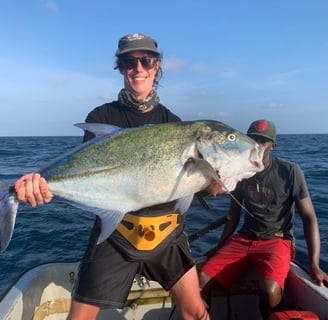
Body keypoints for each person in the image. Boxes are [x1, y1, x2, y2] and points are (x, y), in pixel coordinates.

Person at [15, 33, 223, 320]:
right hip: (117, 233)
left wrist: (213, 185)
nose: (138, 68)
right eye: (129, 61)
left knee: (198, 313)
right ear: (121, 67)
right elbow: (88, 175)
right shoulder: (103, 115)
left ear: (157, 66)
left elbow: (188, 185)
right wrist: (44, 185)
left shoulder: (173, 123)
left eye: (146, 60)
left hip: (167, 234)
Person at [198, 119, 328, 318]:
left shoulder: (290, 171)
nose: (256, 145)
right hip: (244, 239)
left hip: (277, 241)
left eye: (263, 141)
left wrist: (314, 265)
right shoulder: (241, 172)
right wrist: (220, 244)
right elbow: (233, 214)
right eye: (252, 139)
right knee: (202, 279)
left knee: (270, 290)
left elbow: (309, 217)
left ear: (273, 146)